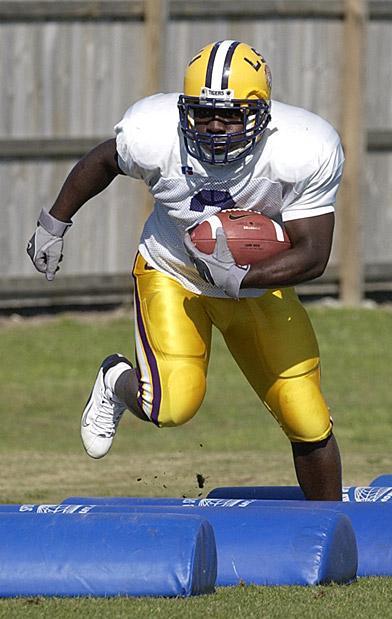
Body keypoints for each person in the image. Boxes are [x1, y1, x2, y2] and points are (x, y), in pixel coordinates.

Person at [27, 40, 344, 500]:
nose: (215, 126)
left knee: (306, 415)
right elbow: (102, 161)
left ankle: (330, 535)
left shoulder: (303, 148)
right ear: (184, 109)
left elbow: (314, 254)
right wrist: (53, 223)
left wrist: (239, 278)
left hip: (254, 286)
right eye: (203, 112)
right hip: (173, 271)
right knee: (172, 405)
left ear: (261, 114)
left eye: (231, 115)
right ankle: (116, 379)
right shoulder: (155, 132)